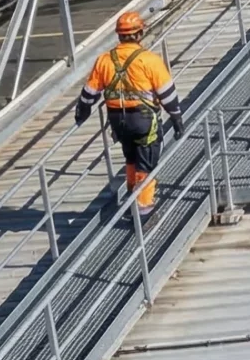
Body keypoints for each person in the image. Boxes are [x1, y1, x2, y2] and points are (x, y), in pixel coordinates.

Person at [77, 11, 182, 213]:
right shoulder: (149, 60)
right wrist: (176, 118)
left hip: (118, 120)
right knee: (146, 160)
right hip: (143, 119)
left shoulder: (104, 60)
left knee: (131, 157)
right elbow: (167, 93)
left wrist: (82, 112)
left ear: (119, 35)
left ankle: (132, 195)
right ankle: (142, 206)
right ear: (140, 33)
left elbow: (89, 92)